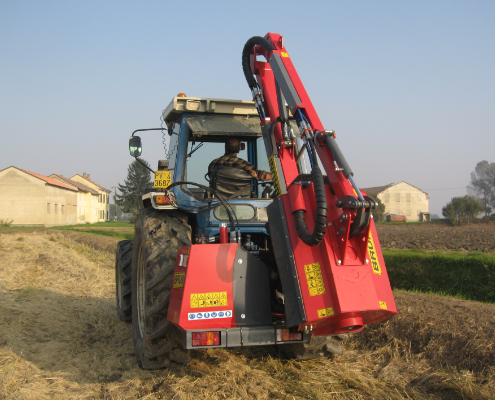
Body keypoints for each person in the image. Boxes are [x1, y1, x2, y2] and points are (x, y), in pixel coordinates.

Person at [207, 137, 272, 181]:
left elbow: (212, 180)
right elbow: (261, 175)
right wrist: (275, 176)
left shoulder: (213, 163)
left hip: (218, 198)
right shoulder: (242, 164)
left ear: (225, 149)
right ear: (239, 150)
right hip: (241, 198)